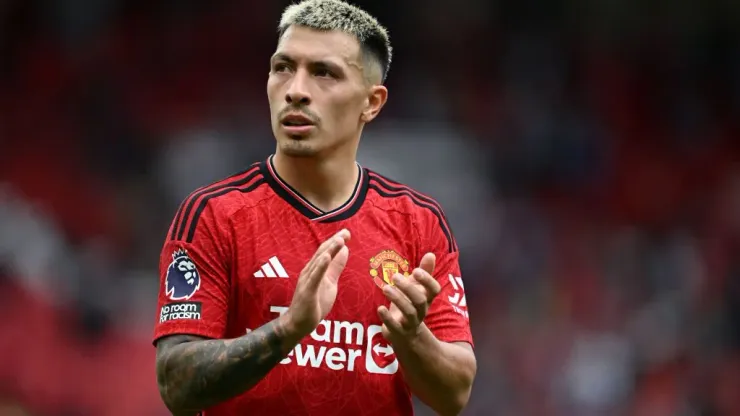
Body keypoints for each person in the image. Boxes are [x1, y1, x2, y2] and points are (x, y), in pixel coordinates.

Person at [152, 1, 476, 415]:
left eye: (324, 73)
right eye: (283, 67)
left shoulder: (418, 223)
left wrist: (411, 336)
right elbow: (175, 382)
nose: (296, 90)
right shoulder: (215, 215)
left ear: (371, 103)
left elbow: (455, 395)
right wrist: (288, 329)